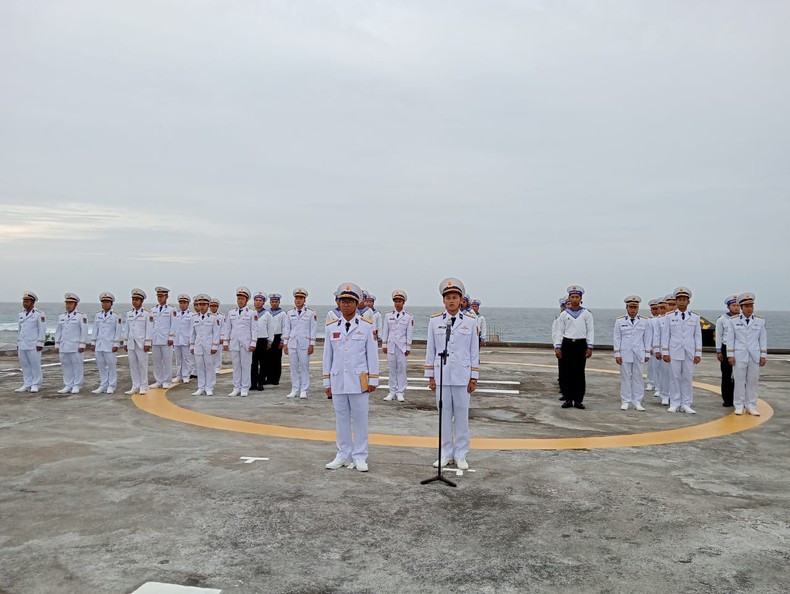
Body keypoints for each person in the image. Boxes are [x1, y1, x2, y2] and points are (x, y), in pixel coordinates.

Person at [323, 283, 379, 472]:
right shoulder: (331, 327)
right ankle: (343, 454)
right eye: (343, 301)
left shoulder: (366, 326)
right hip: (338, 380)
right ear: (338, 303)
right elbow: (327, 357)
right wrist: (326, 381)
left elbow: (372, 354)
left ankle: (360, 456)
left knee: (360, 419)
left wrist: (373, 380)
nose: (346, 305)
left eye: (350, 301)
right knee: (341, 419)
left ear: (357, 303)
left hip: (359, 380)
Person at [425, 277, 480, 470]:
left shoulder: (471, 322)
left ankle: (461, 454)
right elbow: (430, 349)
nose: (451, 300)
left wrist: (474, 376)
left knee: (462, 416)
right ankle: (446, 453)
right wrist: (430, 375)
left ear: (461, 300)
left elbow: (474, 351)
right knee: (444, 416)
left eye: (455, 297)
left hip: (462, 376)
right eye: (448, 297)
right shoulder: (434, 322)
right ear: (443, 300)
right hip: (442, 375)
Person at [661, 287, 702, 414]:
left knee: (687, 378)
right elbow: (665, 335)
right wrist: (665, 352)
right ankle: (674, 402)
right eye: (679, 299)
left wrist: (698, 353)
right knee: (674, 377)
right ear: (676, 301)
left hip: (689, 351)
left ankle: (686, 403)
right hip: (674, 351)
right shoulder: (669, 317)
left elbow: (697, 336)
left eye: (684, 299)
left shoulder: (694, 317)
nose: (682, 302)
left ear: (688, 302)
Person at [725, 293, 767, 416]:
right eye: (747, 306)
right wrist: (730, 355)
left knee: (753, 381)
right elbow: (730, 339)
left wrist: (763, 355)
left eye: (751, 306)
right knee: (739, 380)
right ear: (742, 307)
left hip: (754, 354)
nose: (749, 308)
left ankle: (751, 405)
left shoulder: (760, 321)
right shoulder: (733, 321)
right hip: (739, 354)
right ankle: (738, 405)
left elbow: (762, 339)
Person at [554, 285, 594, 409]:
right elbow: (559, 331)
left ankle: (578, 400)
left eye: (577, 297)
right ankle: (568, 398)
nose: (575, 299)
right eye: (572, 297)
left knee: (579, 373)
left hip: (581, 344)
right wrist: (558, 347)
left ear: (581, 298)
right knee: (567, 373)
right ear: (569, 299)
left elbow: (590, 330)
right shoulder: (564, 314)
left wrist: (590, 346)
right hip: (567, 344)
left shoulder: (586, 314)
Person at [613, 296, 652, 411]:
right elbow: (617, 338)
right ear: (627, 307)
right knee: (625, 377)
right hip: (625, 352)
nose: (633, 310)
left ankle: (637, 401)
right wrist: (617, 354)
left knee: (638, 377)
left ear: (638, 308)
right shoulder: (620, 321)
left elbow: (647, 338)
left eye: (635, 307)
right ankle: (625, 401)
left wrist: (647, 353)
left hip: (639, 352)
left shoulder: (645, 321)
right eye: (631, 307)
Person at [221, 287, 258, 397]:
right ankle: (236, 387)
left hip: (246, 343)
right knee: (236, 366)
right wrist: (225, 342)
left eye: (242, 298)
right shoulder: (231, 312)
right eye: (238, 298)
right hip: (234, 342)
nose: (240, 300)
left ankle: (245, 387)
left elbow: (254, 329)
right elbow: (228, 328)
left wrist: (253, 343)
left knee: (245, 365)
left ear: (246, 300)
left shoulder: (252, 313)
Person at [282, 288, 317, 399]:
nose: (298, 300)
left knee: (304, 367)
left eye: (301, 298)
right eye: (296, 298)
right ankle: (294, 389)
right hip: (292, 343)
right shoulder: (289, 313)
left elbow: (313, 329)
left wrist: (312, 344)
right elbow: (287, 329)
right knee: (293, 367)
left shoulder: (311, 313)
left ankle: (304, 389)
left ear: (304, 300)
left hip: (304, 343)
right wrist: (285, 343)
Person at [381, 289, 414, 402]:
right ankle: (392, 391)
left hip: (401, 346)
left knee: (401, 369)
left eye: (399, 301)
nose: (397, 303)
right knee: (391, 369)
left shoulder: (408, 317)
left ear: (403, 302)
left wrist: (408, 347)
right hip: (391, 346)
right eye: (395, 301)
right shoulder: (388, 315)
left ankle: (400, 392)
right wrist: (384, 344)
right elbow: (385, 331)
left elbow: (409, 333)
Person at [54, 293, 89, 394]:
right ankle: (68, 384)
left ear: (75, 304)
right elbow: (58, 331)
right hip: (64, 346)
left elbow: (84, 331)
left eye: (70, 303)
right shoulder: (62, 317)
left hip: (75, 346)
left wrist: (82, 344)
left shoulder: (81, 316)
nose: (68, 305)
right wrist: (57, 344)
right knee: (65, 365)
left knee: (77, 365)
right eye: (67, 303)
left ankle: (77, 385)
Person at [90, 292, 123, 394]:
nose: (105, 304)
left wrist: (116, 344)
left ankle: (111, 386)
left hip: (110, 345)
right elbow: (95, 329)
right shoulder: (98, 315)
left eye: (107, 302)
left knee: (111, 365)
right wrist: (93, 342)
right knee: (101, 365)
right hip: (99, 344)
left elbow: (118, 331)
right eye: (103, 302)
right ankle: (103, 385)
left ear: (111, 303)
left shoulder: (116, 316)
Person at [123, 288, 153, 395]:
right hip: (131, 342)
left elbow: (149, 329)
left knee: (142, 365)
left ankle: (143, 386)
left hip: (141, 343)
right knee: (133, 365)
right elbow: (127, 328)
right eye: (133, 299)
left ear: (141, 301)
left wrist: (148, 343)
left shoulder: (146, 314)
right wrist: (125, 342)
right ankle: (135, 386)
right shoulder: (129, 313)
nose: (134, 301)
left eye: (137, 299)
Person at [190, 294, 221, 396]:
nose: (201, 306)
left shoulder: (213, 318)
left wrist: (215, 346)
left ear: (208, 305)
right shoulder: (194, 318)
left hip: (208, 346)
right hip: (198, 345)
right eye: (199, 304)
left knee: (209, 366)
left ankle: (209, 387)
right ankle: (201, 387)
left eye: (204, 304)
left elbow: (216, 333)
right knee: (199, 366)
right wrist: (192, 346)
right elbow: (192, 333)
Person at [15, 291, 46, 393]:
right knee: (25, 365)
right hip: (22, 343)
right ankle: (27, 383)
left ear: (33, 302)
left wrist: (40, 343)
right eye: (24, 301)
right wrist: (18, 342)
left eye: (27, 301)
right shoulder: (21, 314)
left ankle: (36, 384)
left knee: (35, 365)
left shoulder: (39, 314)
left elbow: (42, 329)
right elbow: (20, 329)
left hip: (33, 344)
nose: (25, 303)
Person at [715, 295, 740, 407]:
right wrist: (718, 351)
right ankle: (727, 399)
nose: (736, 308)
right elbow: (719, 335)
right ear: (728, 307)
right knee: (726, 375)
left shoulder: (743, 318)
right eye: (734, 305)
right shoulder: (722, 319)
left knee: (740, 375)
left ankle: (738, 398)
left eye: (738, 305)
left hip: (739, 348)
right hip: (725, 348)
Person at [150, 287, 175, 389]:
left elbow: (174, 324)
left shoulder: (171, 310)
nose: (160, 298)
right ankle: (158, 380)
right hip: (155, 338)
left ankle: (167, 380)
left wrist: (171, 337)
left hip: (166, 339)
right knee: (157, 361)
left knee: (167, 361)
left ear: (167, 296)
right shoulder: (153, 309)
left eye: (161, 296)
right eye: (158, 296)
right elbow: (151, 324)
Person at [263, 293, 285, 385]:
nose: (274, 303)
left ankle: (275, 379)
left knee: (276, 359)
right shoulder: (267, 313)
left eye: (276, 302)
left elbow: (284, 327)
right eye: (272, 302)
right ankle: (267, 378)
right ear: (270, 302)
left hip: (277, 337)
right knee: (267, 359)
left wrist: (282, 340)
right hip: (268, 337)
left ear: (279, 302)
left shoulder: (282, 314)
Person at [172, 294, 195, 384]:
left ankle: (185, 376)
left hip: (186, 340)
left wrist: (191, 340)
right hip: (177, 339)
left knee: (186, 359)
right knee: (178, 359)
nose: (182, 305)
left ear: (188, 304)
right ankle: (179, 375)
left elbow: (192, 329)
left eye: (184, 303)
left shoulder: (191, 315)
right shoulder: (175, 314)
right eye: (181, 303)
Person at [250, 292, 269, 391]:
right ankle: (253, 383)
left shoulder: (267, 314)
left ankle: (260, 383)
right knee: (252, 363)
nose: (258, 302)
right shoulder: (250, 313)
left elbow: (270, 329)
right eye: (256, 300)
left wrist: (270, 341)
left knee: (262, 363)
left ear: (263, 302)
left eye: (260, 300)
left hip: (262, 340)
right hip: (252, 340)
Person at [552, 296, 569, 400]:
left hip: (571, 346)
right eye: (563, 306)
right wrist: (556, 346)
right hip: (561, 346)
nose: (563, 308)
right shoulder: (559, 318)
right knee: (563, 369)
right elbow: (555, 333)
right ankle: (563, 388)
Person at [645, 299, 661, 392]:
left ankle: (658, 385)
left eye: (656, 308)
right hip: (650, 347)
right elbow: (647, 335)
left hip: (659, 347)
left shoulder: (661, 319)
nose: (654, 311)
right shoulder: (648, 320)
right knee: (650, 366)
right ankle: (650, 383)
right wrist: (648, 347)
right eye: (652, 309)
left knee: (659, 367)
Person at [209, 298, 225, 373]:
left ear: (217, 307)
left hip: (218, 337)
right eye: (211, 306)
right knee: (209, 353)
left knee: (218, 354)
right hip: (209, 337)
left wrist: (222, 337)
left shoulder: (221, 317)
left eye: (215, 306)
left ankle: (217, 368)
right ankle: (210, 367)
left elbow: (223, 327)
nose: (213, 307)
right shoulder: (207, 316)